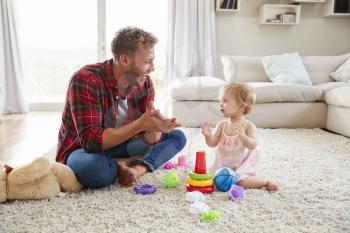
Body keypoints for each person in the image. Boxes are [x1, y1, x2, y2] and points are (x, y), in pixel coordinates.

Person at [56, 26, 186, 189]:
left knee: (177, 136)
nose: (152, 68)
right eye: (147, 62)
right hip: (84, 151)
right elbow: (91, 142)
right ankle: (126, 163)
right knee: (95, 170)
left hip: (123, 145)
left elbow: (149, 139)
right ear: (125, 60)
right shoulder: (86, 80)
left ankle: (138, 168)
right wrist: (141, 124)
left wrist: (154, 128)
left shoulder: (144, 83)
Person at [201, 83, 277, 192]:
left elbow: (253, 145)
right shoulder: (222, 125)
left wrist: (243, 137)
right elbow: (212, 143)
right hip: (222, 166)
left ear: (242, 106)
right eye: (220, 101)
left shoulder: (248, 126)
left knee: (240, 182)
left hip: (241, 166)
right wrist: (208, 136)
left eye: (225, 101)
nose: (221, 104)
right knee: (211, 178)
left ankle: (266, 181)